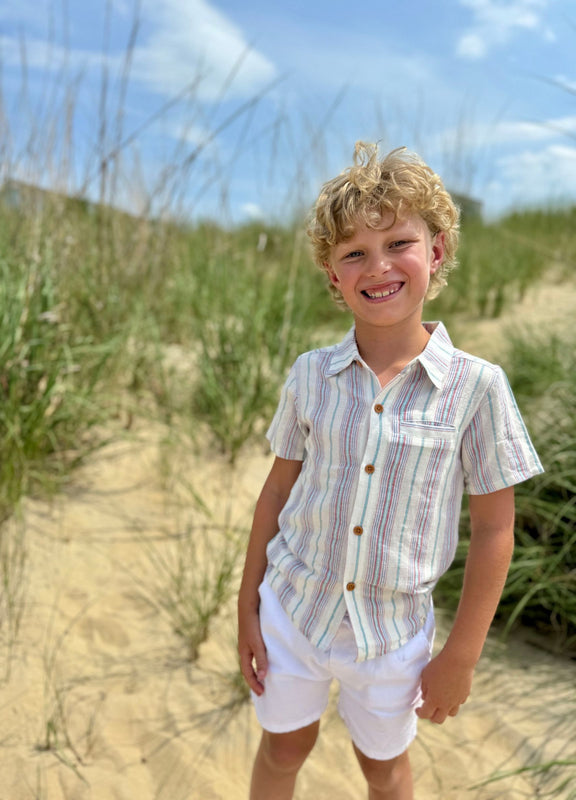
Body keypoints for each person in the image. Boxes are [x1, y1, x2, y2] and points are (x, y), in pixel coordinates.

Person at [237, 142, 543, 800]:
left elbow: (494, 529)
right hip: (293, 611)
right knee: (284, 747)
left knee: (385, 769)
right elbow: (277, 492)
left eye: (399, 243)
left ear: (435, 253)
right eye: (353, 253)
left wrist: (460, 654)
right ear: (333, 276)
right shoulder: (310, 375)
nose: (378, 266)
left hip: (394, 633)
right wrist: (246, 611)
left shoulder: (477, 388)